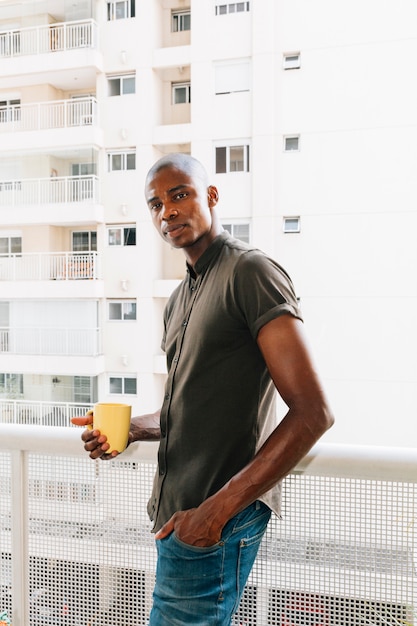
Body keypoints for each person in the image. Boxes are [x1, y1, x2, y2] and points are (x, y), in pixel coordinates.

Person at [72, 153, 334, 625]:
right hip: (180, 518)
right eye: (155, 204)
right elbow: (187, 407)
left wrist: (214, 513)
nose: (166, 212)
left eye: (180, 195)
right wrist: (132, 429)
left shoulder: (250, 272)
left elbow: (313, 412)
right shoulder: (180, 298)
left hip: (215, 518)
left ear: (210, 197)